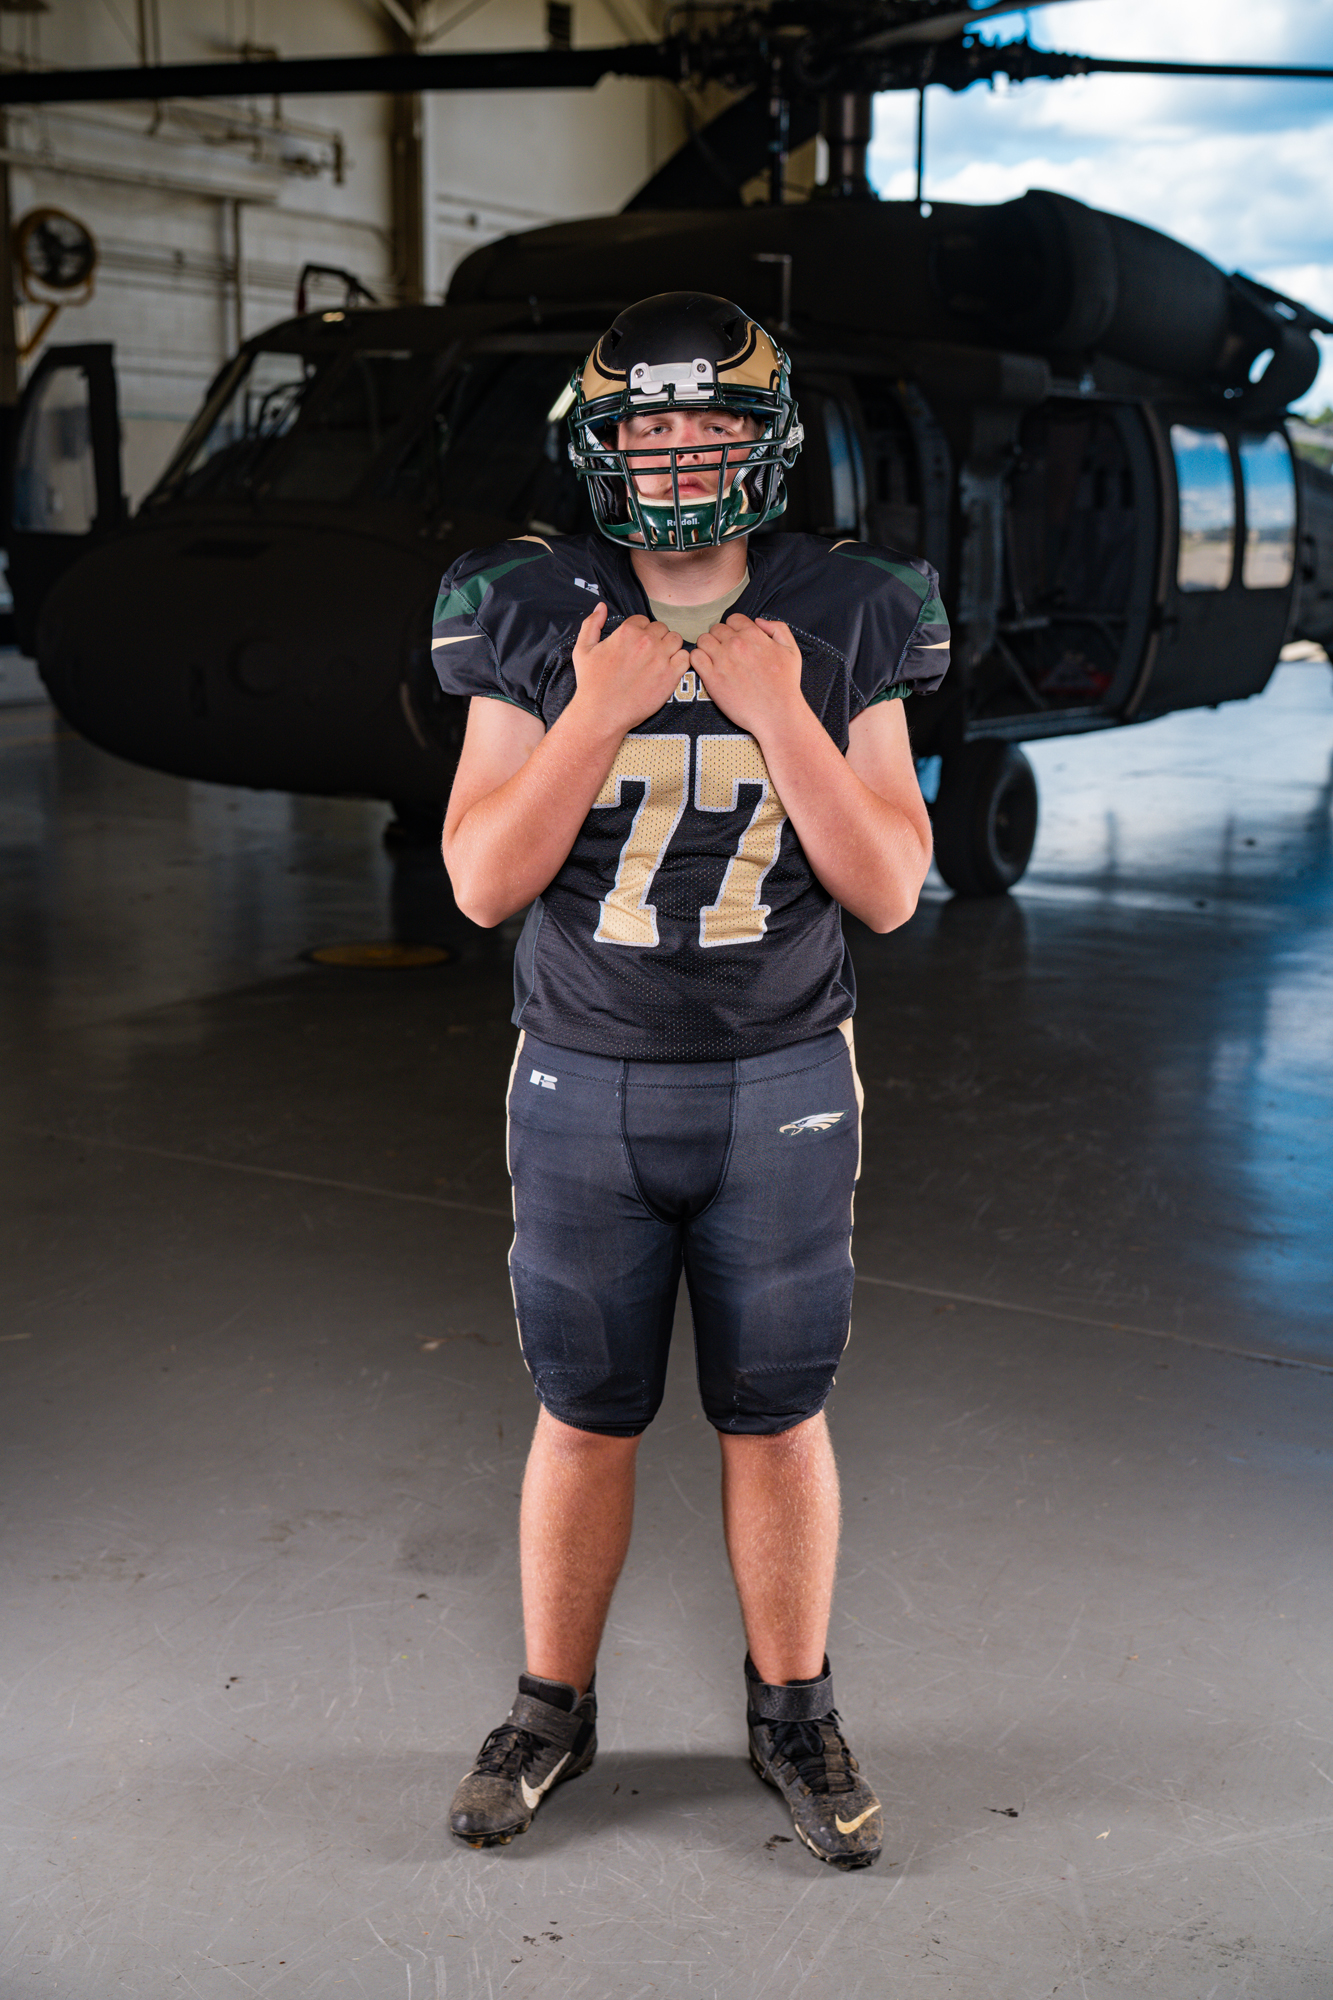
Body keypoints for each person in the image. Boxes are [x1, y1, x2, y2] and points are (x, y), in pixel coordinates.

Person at [432, 291, 949, 1868]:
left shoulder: (845, 607)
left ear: (764, 441)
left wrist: (778, 709)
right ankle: (551, 1713)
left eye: (707, 422)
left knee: (774, 1416)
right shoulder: (527, 606)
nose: (673, 451)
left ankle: (793, 1716)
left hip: (779, 1077)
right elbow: (479, 879)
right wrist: (594, 712)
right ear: (598, 443)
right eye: (644, 424)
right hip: (582, 1076)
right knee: (582, 1414)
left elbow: (886, 887)